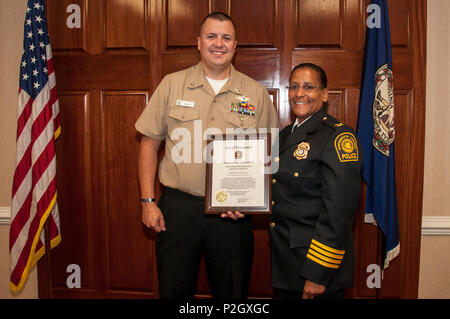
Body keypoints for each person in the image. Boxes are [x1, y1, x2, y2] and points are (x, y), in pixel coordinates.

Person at [135, 12, 279, 299]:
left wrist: (249, 202)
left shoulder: (255, 93)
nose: (219, 43)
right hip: (177, 208)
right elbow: (148, 145)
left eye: (226, 38)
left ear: (235, 46)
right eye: (211, 36)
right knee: (174, 290)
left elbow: (269, 156)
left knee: (233, 293)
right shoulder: (171, 85)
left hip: (233, 215)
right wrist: (148, 202)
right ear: (198, 42)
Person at [270, 63, 362, 299]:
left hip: (315, 268)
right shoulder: (285, 135)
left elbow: (338, 213)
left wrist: (318, 273)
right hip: (288, 262)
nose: (299, 93)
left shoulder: (338, 137)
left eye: (309, 87)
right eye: (294, 86)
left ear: (324, 94)